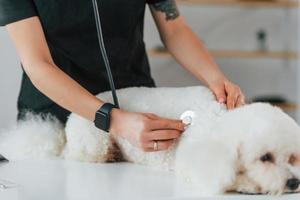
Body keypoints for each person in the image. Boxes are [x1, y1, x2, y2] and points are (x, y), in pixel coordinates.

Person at [0, 0, 245, 152]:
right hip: (54, 125)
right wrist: (116, 121)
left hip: (138, 115)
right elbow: (38, 65)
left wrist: (216, 78)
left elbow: (175, 29)